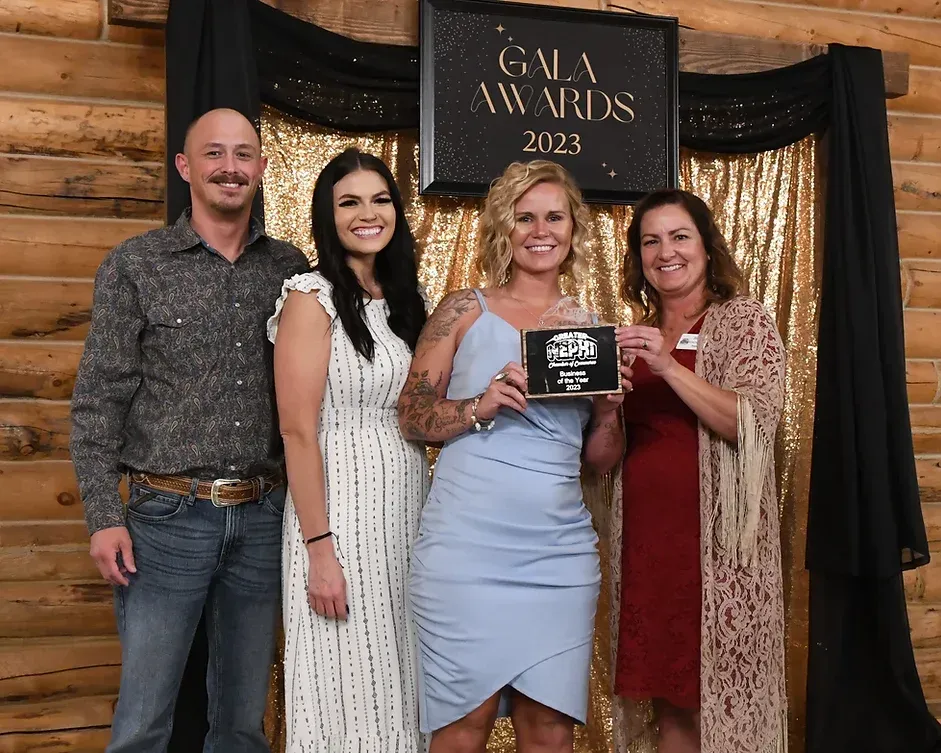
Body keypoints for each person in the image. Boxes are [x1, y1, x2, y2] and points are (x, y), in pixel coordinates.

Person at [69, 108, 310, 753]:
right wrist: (102, 515)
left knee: (240, 724)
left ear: (260, 168)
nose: (229, 167)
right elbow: (97, 399)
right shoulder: (137, 265)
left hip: (262, 518)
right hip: (165, 518)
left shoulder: (293, 273)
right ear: (185, 167)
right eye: (214, 154)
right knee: (145, 723)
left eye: (243, 154)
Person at [397, 160, 631, 753]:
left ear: (574, 229)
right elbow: (412, 413)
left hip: (559, 556)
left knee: (550, 734)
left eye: (554, 216)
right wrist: (481, 403)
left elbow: (600, 462)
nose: (540, 230)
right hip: (466, 552)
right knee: (460, 729)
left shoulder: (589, 330)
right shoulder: (463, 309)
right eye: (524, 218)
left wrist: (608, 410)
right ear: (504, 228)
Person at [611, 189, 787, 753]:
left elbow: (754, 422)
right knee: (671, 701)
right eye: (650, 240)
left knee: (718, 704)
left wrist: (667, 364)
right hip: (648, 544)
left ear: (707, 248)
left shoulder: (741, 320)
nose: (666, 251)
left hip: (719, 549)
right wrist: (604, 403)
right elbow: (607, 456)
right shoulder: (630, 335)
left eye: (679, 236)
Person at [267, 147, 429, 752]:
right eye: (350, 202)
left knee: (401, 687)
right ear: (327, 216)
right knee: (347, 689)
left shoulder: (406, 300)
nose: (369, 214)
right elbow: (297, 432)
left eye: (381, 199)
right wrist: (319, 549)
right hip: (339, 517)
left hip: (409, 509)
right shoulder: (312, 298)